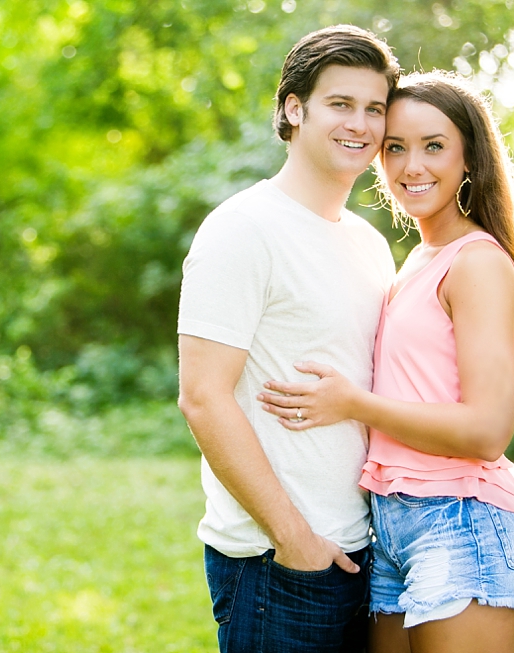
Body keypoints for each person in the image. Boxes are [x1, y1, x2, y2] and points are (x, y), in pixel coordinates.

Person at [256, 70, 514, 653]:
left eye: (434, 146)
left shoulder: (477, 264)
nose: (411, 165)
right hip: (392, 524)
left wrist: (351, 403)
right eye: (396, 148)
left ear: (470, 158)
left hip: (460, 519)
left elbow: (488, 431)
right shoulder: (419, 258)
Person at [177, 25, 400, 652]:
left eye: (374, 108)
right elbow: (202, 397)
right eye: (340, 104)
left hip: (364, 550)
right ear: (294, 109)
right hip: (277, 562)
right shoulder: (243, 229)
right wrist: (294, 539)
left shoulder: (369, 244)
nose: (360, 124)